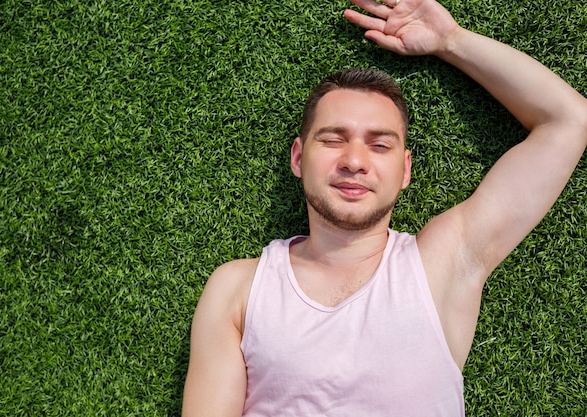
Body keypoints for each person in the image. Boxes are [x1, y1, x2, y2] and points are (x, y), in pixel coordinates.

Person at [182, 0, 587, 415]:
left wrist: (452, 41)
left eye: (379, 145)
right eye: (334, 139)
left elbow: (568, 120)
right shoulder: (239, 290)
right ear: (298, 158)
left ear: (405, 169)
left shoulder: (442, 266)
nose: (355, 161)